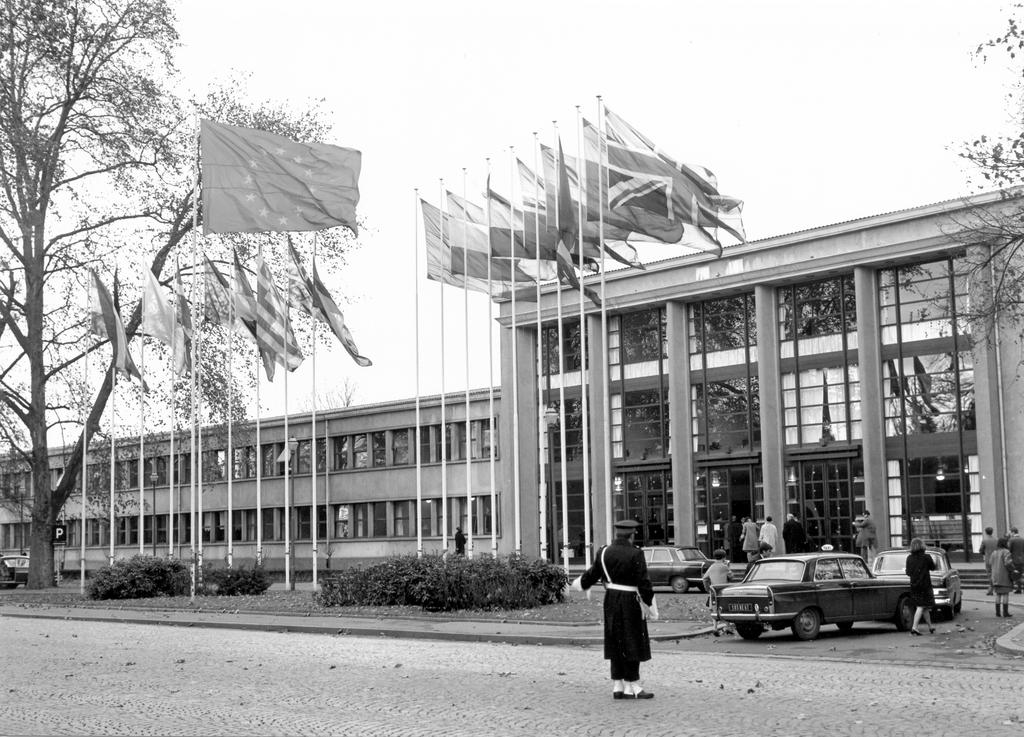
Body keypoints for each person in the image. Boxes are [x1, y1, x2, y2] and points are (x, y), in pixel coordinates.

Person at [571, 518, 657, 700]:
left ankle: (617, 685)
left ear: (617, 534)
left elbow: (593, 574)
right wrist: (648, 604)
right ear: (633, 535)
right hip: (630, 600)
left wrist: (580, 584)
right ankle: (632, 685)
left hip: (611, 599)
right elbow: (644, 582)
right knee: (633, 640)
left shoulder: (604, 552)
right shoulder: (636, 554)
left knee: (615, 639)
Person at [905, 537, 936, 635]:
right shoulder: (926, 557)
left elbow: (908, 572)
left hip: (914, 585)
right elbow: (933, 567)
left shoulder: (909, 558)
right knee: (921, 606)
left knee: (924, 607)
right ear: (922, 545)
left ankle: (930, 627)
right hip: (925, 585)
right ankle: (914, 627)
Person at [701, 549, 732, 635]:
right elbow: (731, 576)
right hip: (724, 591)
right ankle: (728, 627)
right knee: (726, 609)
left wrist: (708, 589)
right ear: (724, 557)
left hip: (714, 591)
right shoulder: (724, 567)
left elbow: (705, 578)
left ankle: (715, 627)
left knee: (714, 609)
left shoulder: (712, 567)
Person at [990, 536, 1018, 617]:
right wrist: (1013, 569)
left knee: (998, 594)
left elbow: (990, 563)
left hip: (995, 577)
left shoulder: (994, 552)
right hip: (1004, 576)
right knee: (1005, 594)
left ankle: (998, 613)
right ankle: (1005, 612)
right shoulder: (1006, 552)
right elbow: (1008, 563)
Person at [979, 526, 998, 596]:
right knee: (995, 574)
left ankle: (991, 589)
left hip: (988, 559)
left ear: (986, 532)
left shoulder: (984, 540)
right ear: (992, 532)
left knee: (990, 574)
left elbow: (981, 550)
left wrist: (984, 554)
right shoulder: (996, 540)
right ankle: (993, 588)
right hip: (996, 559)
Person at [1009, 528, 1024, 595]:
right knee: (1020, 574)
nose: (1010, 534)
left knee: (1015, 574)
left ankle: (1017, 588)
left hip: (1014, 559)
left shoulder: (1012, 540)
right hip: (1022, 559)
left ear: (1013, 532)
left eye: (1010, 532)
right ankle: (1019, 589)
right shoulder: (1022, 539)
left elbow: (1009, 549)